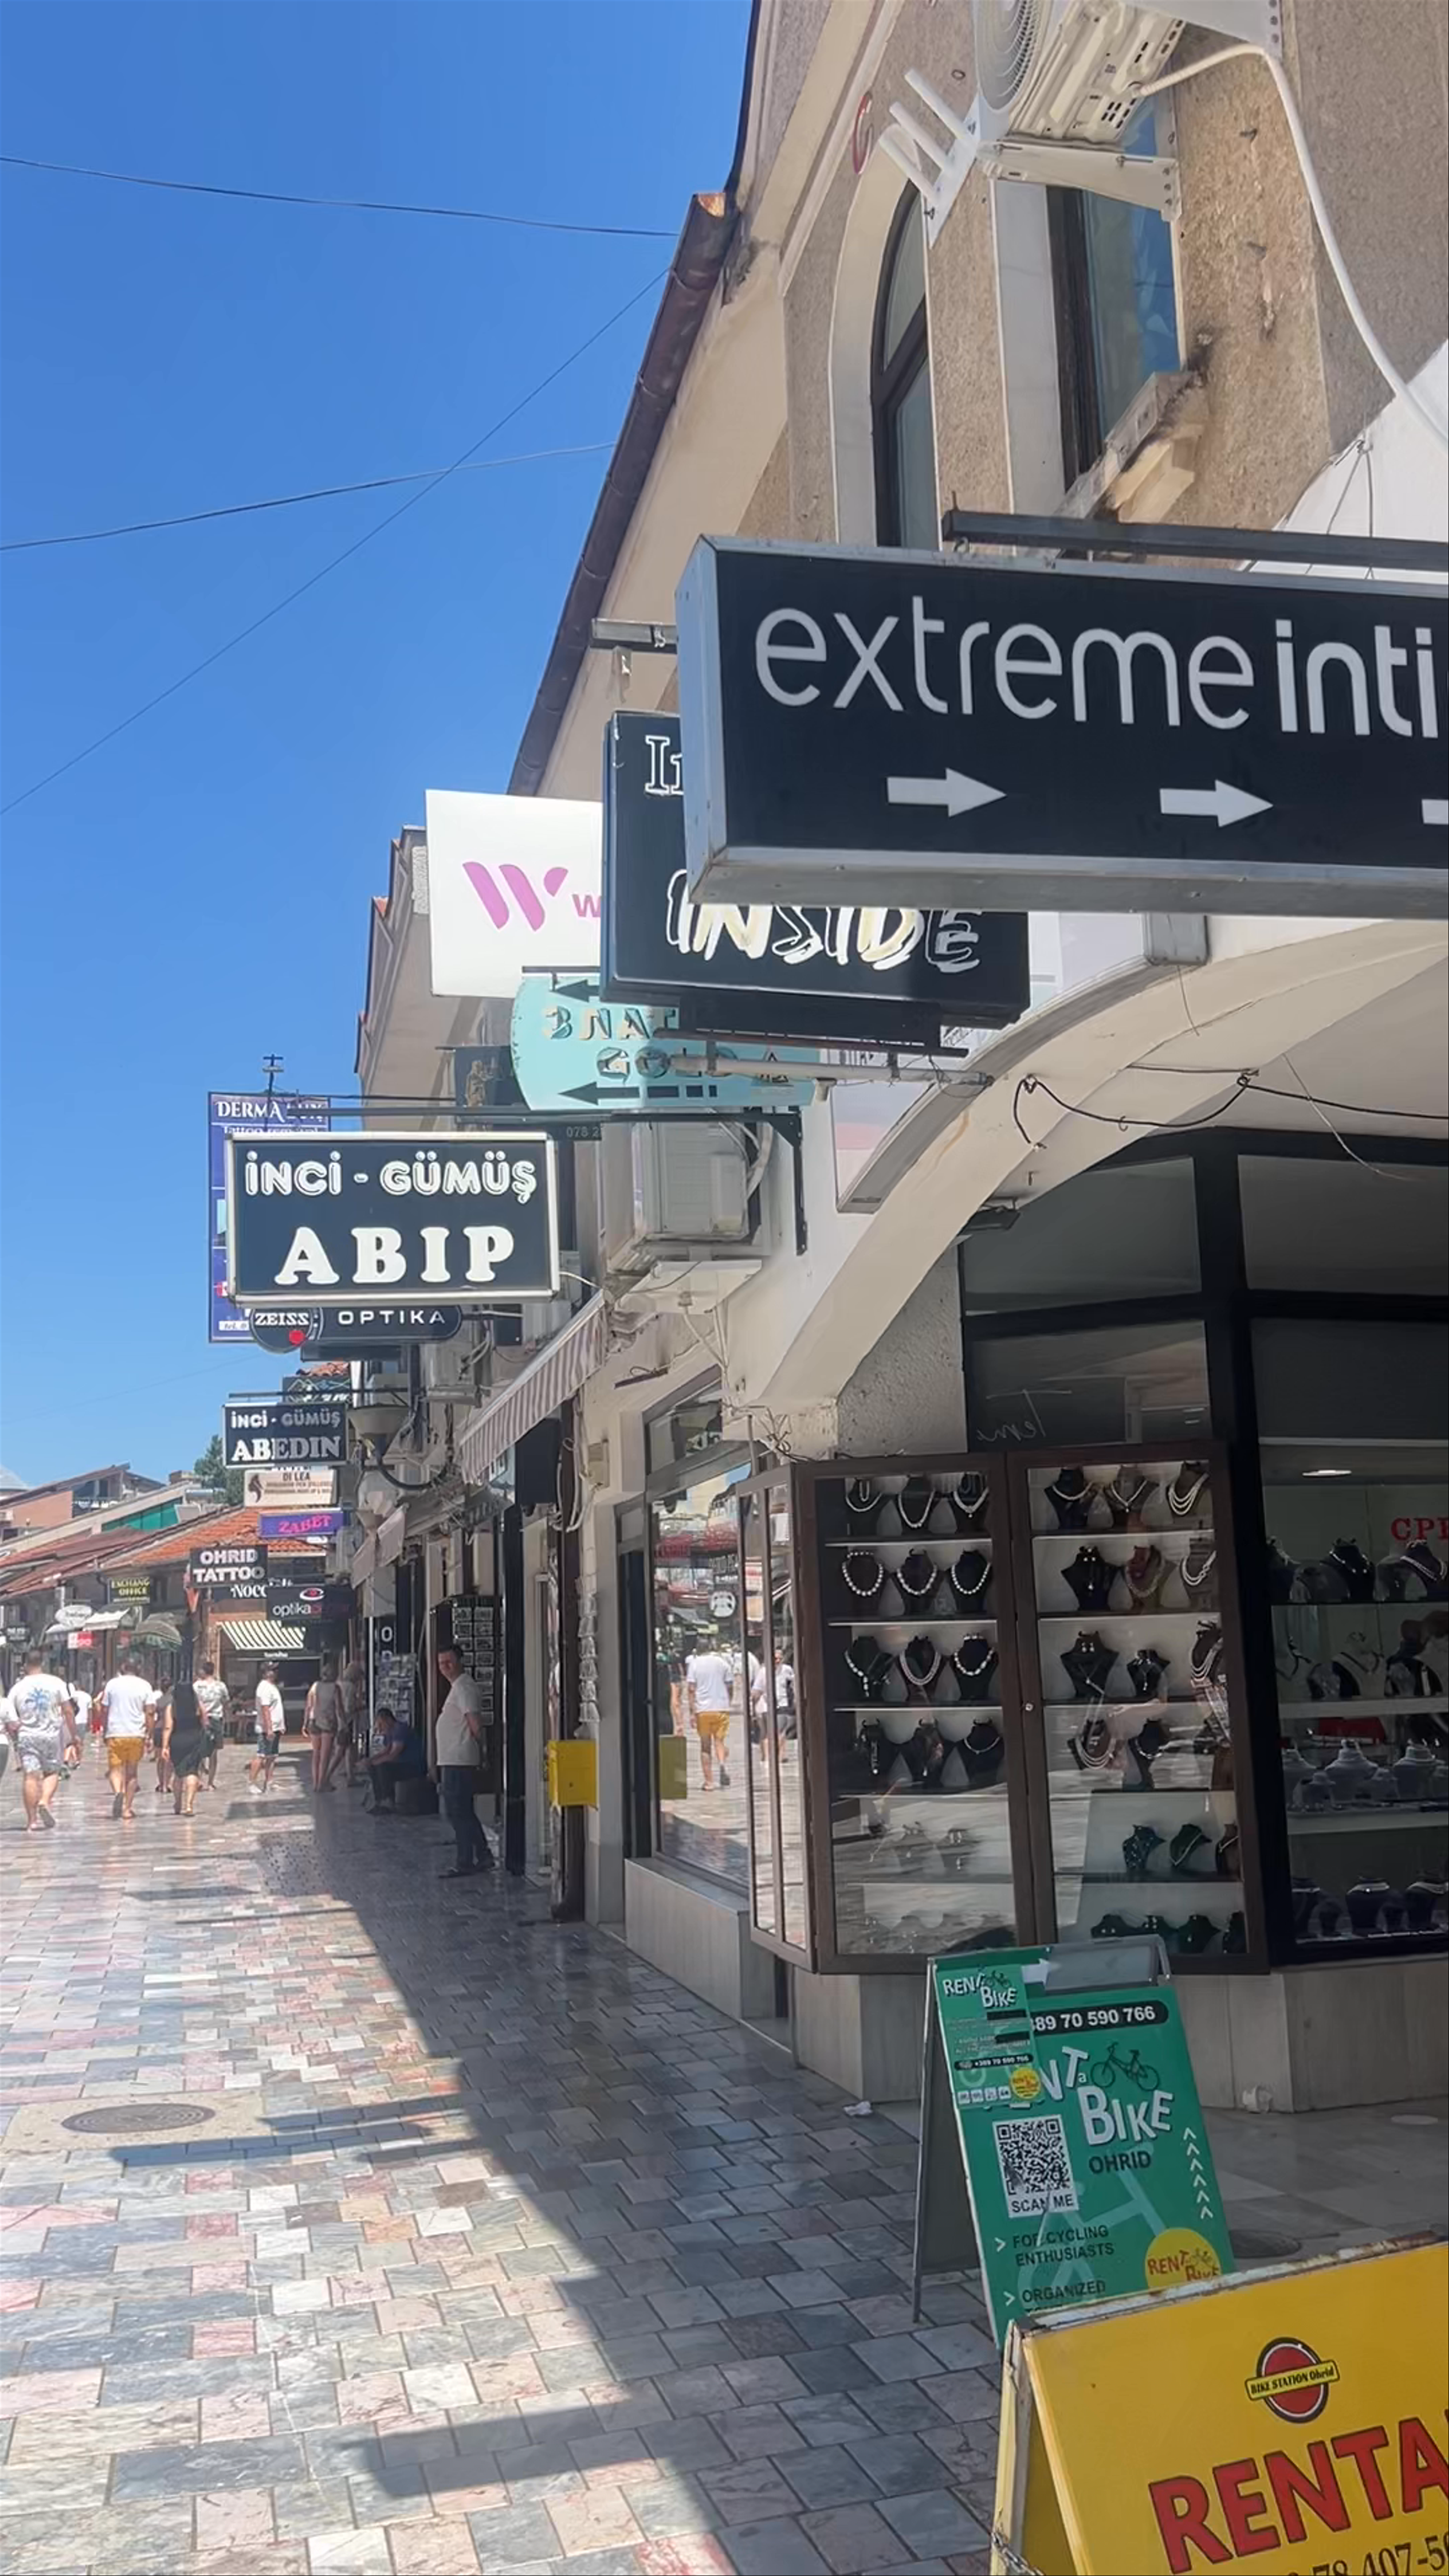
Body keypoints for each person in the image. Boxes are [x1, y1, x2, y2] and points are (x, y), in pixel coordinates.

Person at [435, 1646, 493, 1877]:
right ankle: (481, 1854)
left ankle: (466, 1860)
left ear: (460, 1661)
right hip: (453, 1759)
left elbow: (475, 1724)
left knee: (458, 1811)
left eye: (449, 1661)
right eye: (441, 1663)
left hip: (460, 1759)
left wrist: (483, 1752)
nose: (445, 1667)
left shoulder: (465, 1687)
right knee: (462, 1811)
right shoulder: (457, 1688)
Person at [4, 1649, 77, 1832]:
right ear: (42, 1663)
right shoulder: (56, 1683)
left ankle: (32, 1822)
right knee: (52, 1772)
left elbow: (12, 1722)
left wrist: (17, 1738)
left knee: (30, 1776)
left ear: (25, 1666)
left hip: (28, 1736)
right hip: (51, 1736)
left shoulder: (17, 1689)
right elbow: (68, 1711)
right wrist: (74, 1735)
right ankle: (44, 1801)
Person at [99, 1658, 156, 1822]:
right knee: (132, 1773)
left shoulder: (112, 1684)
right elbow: (150, 1712)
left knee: (115, 1769)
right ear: (138, 1669)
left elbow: (105, 1709)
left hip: (116, 1732)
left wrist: (104, 1729)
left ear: (122, 1669)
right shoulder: (145, 1686)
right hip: (136, 1734)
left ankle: (118, 1791)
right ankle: (127, 1809)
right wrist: (150, 1734)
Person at [685, 1639, 733, 1790]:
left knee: (705, 1746)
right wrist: (728, 1701)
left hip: (703, 1710)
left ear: (697, 1650)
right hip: (721, 1708)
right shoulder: (722, 1662)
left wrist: (692, 1712)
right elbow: (730, 1685)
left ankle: (709, 1782)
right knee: (720, 1742)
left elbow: (692, 1689)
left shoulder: (695, 1664)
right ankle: (723, 1764)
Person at [365, 1704, 426, 1810]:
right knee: (374, 1767)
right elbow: (386, 1751)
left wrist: (377, 1762)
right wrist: (371, 1761)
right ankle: (380, 1801)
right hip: (401, 1765)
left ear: (388, 1720)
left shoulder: (400, 1729)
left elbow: (394, 1754)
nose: (380, 1727)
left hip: (412, 1766)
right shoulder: (391, 1732)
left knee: (383, 1767)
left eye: (381, 1723)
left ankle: (388, 1801)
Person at [162, 1676, 208, 1818]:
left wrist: (165, 1746)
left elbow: (168, 1727)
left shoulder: (172, 1707)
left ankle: (178, 1803)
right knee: (192, 1772)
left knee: (179, 1773)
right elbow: (205, 1722)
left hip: (178, 1741)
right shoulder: (197, 1705)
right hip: (195, 1740)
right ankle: (189, 1806)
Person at [304, 1659, 344, 1792]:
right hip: (328, 1722)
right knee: (325, 1756)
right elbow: (339, 1708)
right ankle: (322, 1784)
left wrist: (305, 1723)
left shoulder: (315, 1686)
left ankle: (316, 1783)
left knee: (316, 1754)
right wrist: (343, 1724)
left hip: (314, 1722)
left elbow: (309, 1706)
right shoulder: (335, 1688)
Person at [192, 1661, 231, 1791]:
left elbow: (193, 1703)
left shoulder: (197, 1686)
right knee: (214, 1754)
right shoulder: (221, 1686)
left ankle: (199, 1781)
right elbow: (226, 1702)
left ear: (203, 1671)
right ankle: (211, 1783)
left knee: (200, 1752)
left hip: (200, 1720)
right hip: (216, 1719)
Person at [248, 1664, 284, 1793]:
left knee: (272, 1756)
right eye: (272, 1671)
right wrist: (269, 1728)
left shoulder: (272, 1687)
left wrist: (280, 1726)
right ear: (265, 1673)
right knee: (262, 1755)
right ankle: (252, 1783)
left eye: (275, 1670)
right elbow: (266, 1709)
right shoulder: (264, 1688)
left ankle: (269, 1782)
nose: (275, 1673)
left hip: (275, 1727)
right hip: (266, 1728)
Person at [340, 1655, 367, 1787]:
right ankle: (350, 1776)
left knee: (343, 1749)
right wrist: (361, 1706)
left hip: (340, 1721)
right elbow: (349, 1707)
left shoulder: (340, 1684)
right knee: (349, 1748)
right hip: (349, 1721)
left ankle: (347, 1772)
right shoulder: (351, 1687)